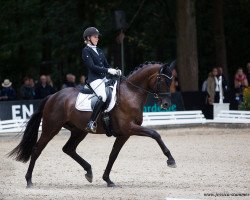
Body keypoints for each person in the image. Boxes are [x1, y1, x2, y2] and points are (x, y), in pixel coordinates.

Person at [82, 27, 121, 133]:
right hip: (94, 80)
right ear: (88, 38)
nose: (97, 39)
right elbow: (92, 66)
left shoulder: (99, 51)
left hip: (104, 79)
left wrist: (115, 71)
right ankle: (91, 122)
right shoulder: (86, 50)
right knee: (103, 96)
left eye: (98, 37)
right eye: (95, 37)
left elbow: (107, 65)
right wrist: (108, 70)